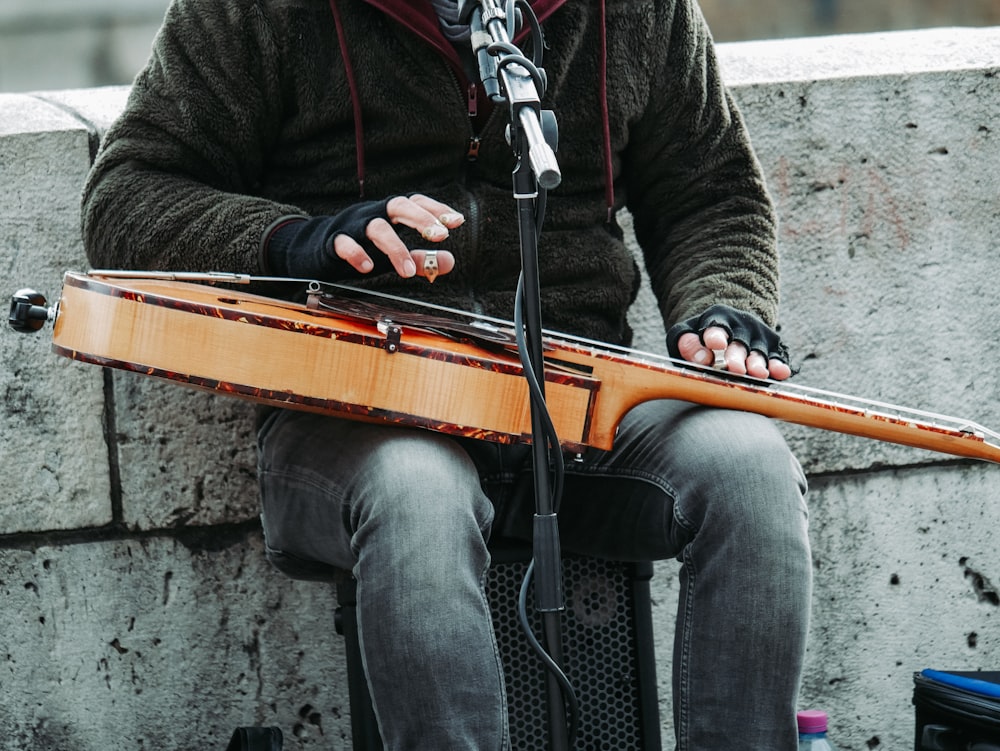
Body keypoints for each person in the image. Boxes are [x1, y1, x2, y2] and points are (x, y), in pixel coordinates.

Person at [81, 0, 812, 748]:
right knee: (417, 493)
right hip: (357, 414)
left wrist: (724, 304)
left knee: (748, 469)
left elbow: (711, 188)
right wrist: (292, 239)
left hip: (578, 400)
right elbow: (128, 195)